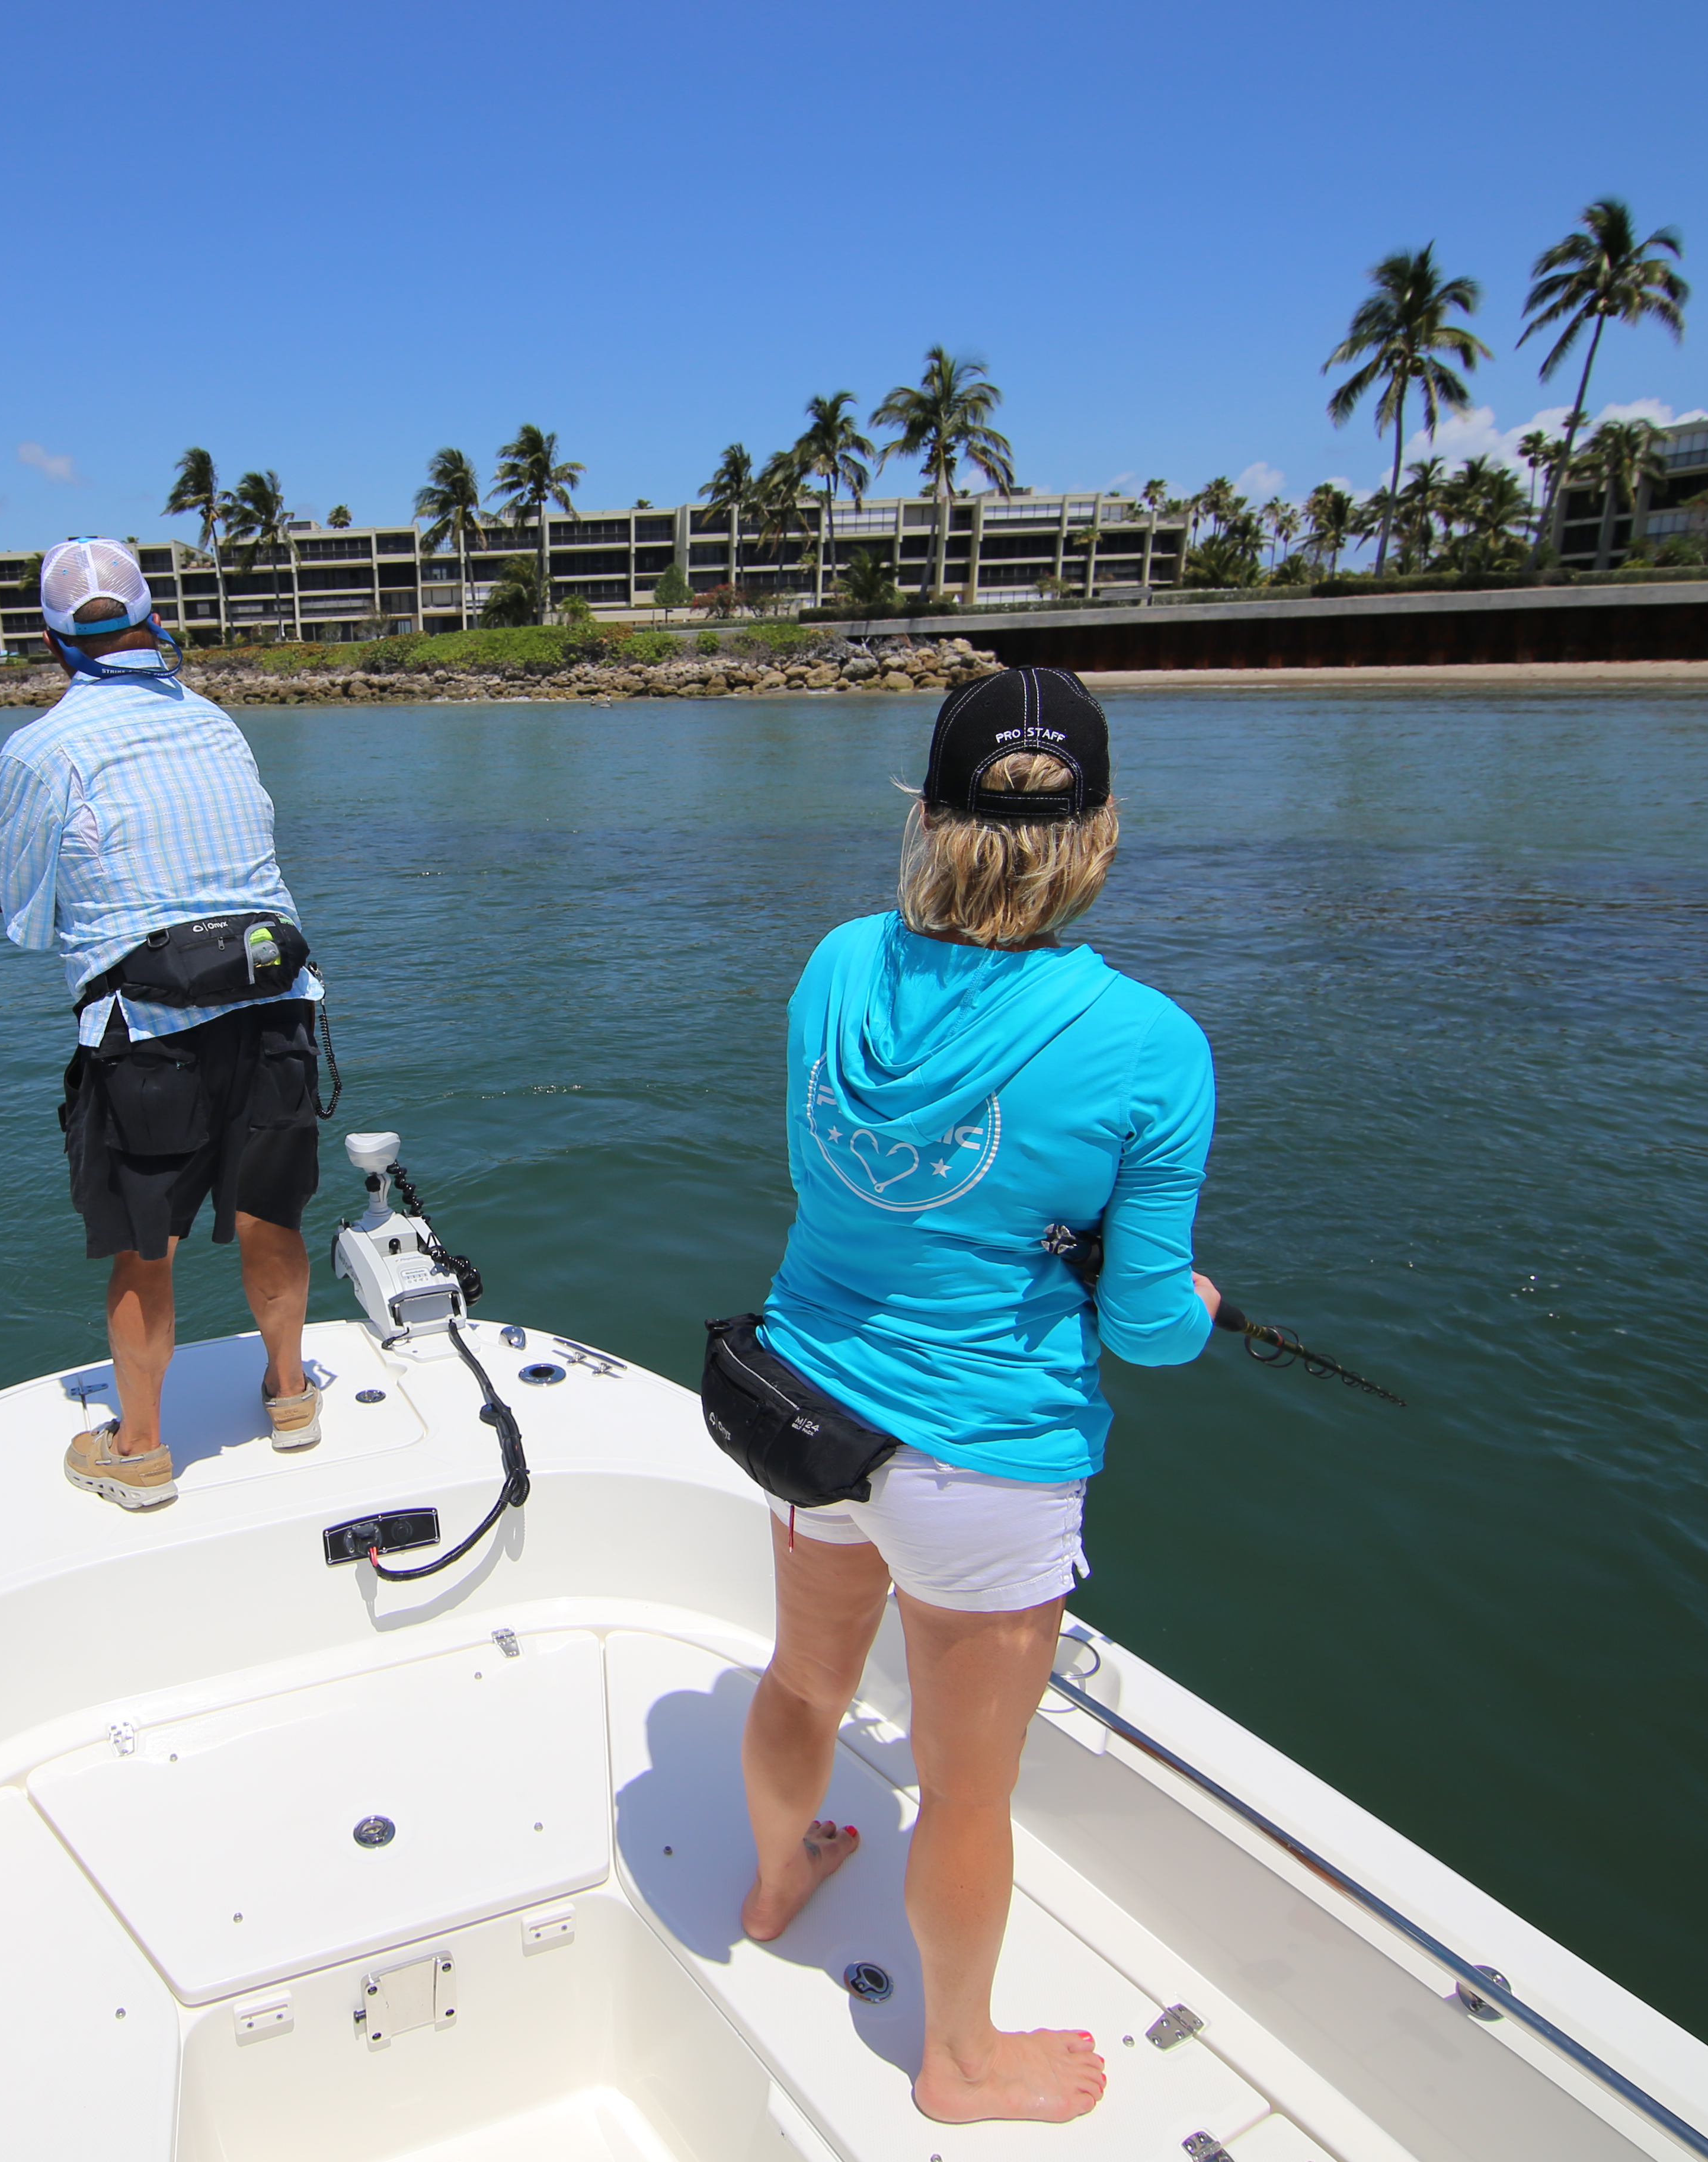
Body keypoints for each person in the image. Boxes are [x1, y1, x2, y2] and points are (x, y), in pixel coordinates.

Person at [734, 667, 1220, 2126]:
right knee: (962, 1790)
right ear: (1100, 828)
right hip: (984, 1464)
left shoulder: (833, 966)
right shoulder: (1153, 1046)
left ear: (930, 817)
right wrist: (1187, 1306)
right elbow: (1145, 1327)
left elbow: (839, 1187)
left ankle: (772, 1886)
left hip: (805, 1410)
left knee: (803, 1680)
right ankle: (955, 2063)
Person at [0, 536, 325, 1509]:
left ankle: (139, 1451)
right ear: (152, 614)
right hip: (276, 1006)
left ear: (54, 640)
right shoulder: (219, 724)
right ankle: (293, 1397)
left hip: (148, 1031)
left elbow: (25, 920)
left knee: (149, 1247)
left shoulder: (39, 749)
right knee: (273, 1214)